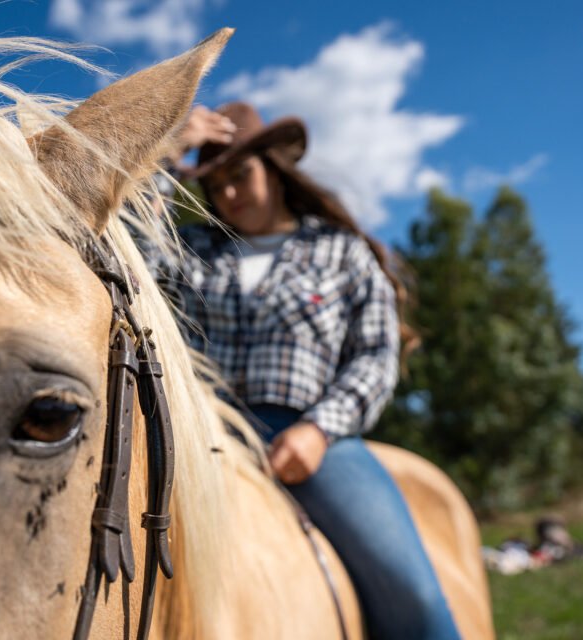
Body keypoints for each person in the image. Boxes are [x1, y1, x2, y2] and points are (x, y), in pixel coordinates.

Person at [168, 102, 461, 640]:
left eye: (241, 175)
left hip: (305, 436)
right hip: (201, 435)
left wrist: (319, 429)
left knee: (412, 595)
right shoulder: (193, 248)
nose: (229, 195)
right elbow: (125, 246)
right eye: (216, 184)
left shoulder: (340, 251)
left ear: (274, 170)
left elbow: (374, 357)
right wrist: (167, 151)